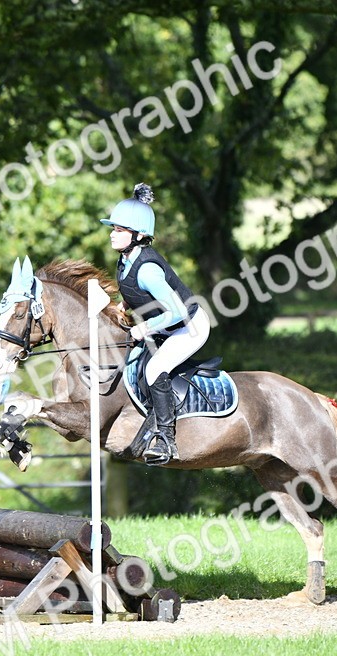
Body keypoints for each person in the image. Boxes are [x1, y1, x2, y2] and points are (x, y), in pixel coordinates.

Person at [101, 183, 211, 464]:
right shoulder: (126, 260)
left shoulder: (148, 269)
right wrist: (123, 306)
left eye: (119, 230)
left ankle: (166, 439)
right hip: (165, 324)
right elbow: (134, 291)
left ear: (138, 235)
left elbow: (176, 311)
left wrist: (145, 328)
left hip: (187, 326)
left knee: (154, 369)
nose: (113, 235)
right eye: (113, 229)